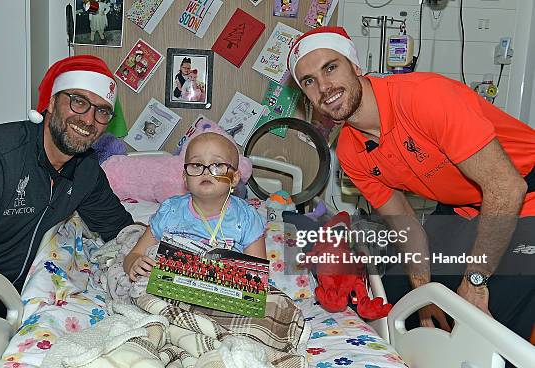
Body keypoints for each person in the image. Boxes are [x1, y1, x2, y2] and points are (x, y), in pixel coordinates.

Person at [287, 26, 535, 340]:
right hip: (466, 207)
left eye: (331, 67)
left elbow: (507, 187)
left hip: (522, 191)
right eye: (308, 81)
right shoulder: (350, 150)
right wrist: (424, 295)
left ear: (355, 66)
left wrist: (474, 281)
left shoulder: (424, 98)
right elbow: (405, 223)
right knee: (402, 296)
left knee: (493, 318)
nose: (324, 86)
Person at [0, 55, 134, 322]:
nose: (89, 120)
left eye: (102, 111)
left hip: (2, 299)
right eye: (79, 101)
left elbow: (122, 230)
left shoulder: (86, 170)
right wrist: (16, 308)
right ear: (51, 101)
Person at [124, 132, 266, 282]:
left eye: (217, 165)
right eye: (197, 165)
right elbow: (134, 255)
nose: (205, 171)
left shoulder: (247, 218)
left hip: (223, 294)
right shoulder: (170, 211)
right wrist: (134, 263)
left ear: (235, 178)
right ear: (185, 178)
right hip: (170, 287)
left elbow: (257, 279)